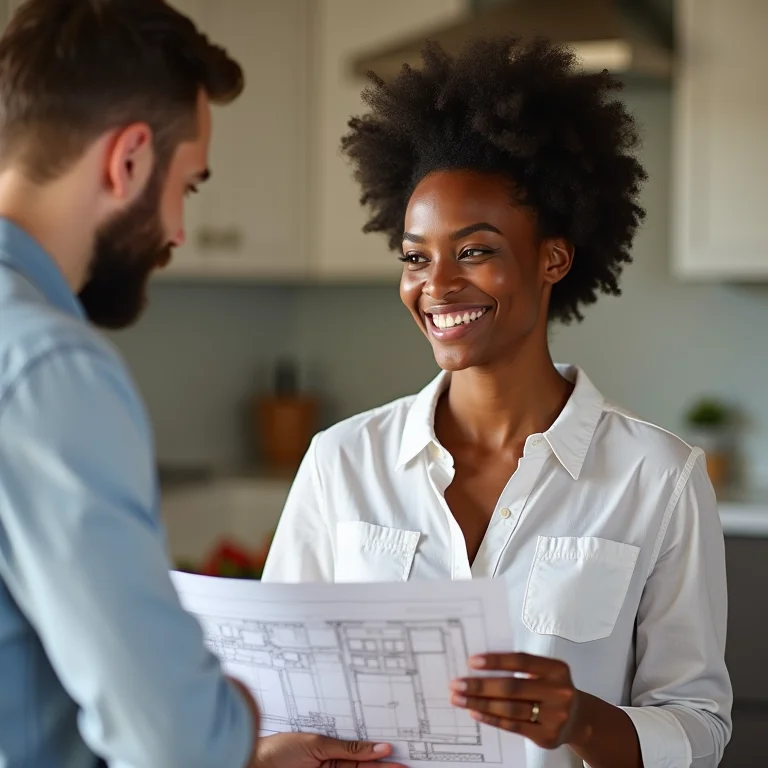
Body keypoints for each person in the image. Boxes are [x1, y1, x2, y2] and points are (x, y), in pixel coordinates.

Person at [263, 37, 733, 768]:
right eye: (416, 256)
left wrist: (582, 720)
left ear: (553, 257)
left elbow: (700, 727)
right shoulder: (340, 461)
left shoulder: (660, 479)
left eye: (475, 251)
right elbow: (279, 697)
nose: (437, 285)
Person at [0, 2, 405, 767]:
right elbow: (172, 743)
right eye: (187, 186)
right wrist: (235, 718)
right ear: (127, 161)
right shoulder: (53, 368)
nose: (180, 232)